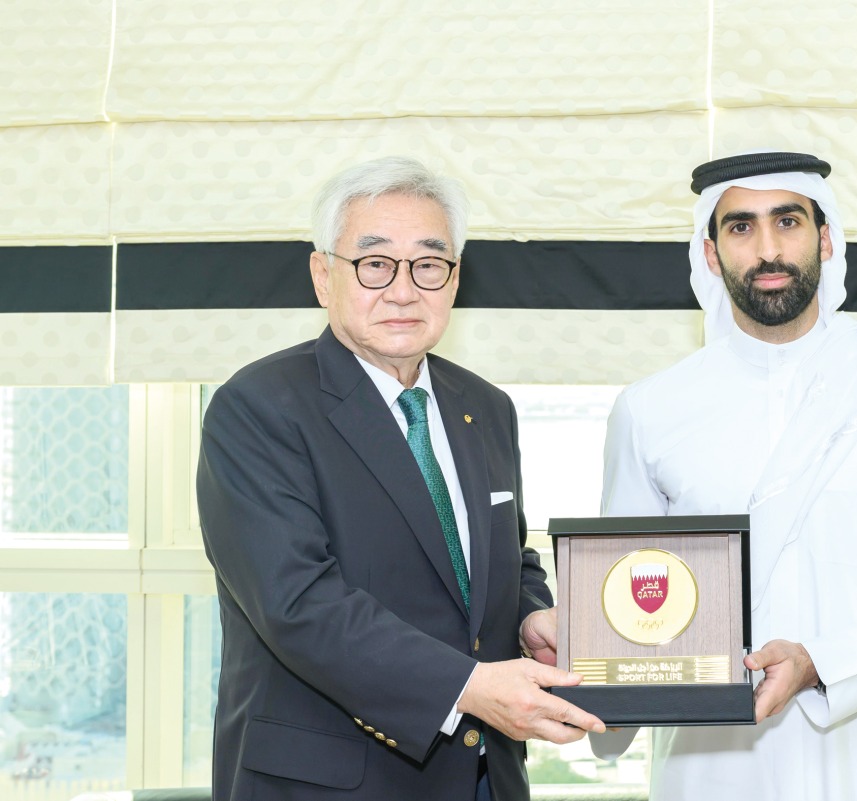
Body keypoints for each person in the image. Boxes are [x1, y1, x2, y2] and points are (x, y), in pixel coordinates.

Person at [197, 155, 604, 801]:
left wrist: (530, 616)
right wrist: (469, 687)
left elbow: (505, 558)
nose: (404, 288)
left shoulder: (486, 407)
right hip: (328, 783)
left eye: (429, 264)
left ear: (454, 278)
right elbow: (298, 603)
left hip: (484, 776)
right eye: (375, 262)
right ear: (322, 275)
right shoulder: (258, 406)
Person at [596, 151, 857, 799]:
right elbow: (625, 607)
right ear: (712, 252)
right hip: (710, 766)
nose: (769, 248)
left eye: (788, 221)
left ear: (825, 237)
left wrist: (822, 664)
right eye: (741, 227)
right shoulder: (650, 408)